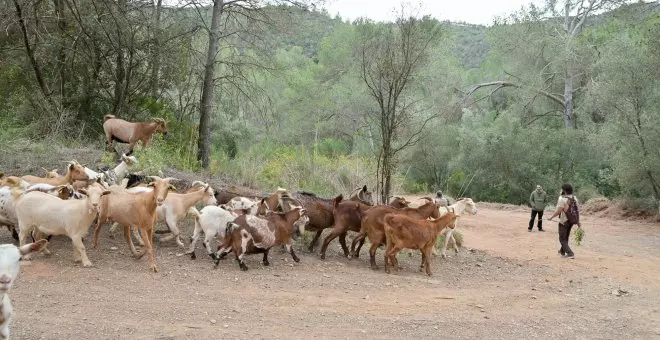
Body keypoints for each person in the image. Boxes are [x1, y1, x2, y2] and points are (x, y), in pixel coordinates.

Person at [547, 183, 582, 259]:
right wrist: (578, 221)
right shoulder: (574, 198)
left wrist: (551, 217)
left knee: (562, 239)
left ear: (564, 191)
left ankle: (570, 253)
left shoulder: (562, 199)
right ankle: (562, 251)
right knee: (566, 237)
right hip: (571, 220)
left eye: (562, 189)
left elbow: (558, 211)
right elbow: (577, 210)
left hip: (564, 221)